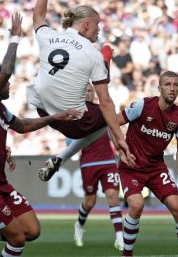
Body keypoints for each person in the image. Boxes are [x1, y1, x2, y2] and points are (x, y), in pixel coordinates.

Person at [0, 13, 82, 257]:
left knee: (32, 230)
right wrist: (15, 36)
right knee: (17, 238)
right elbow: (6, 70)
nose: (9, 85)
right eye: (5, 83)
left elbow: (22, 126)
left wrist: (54, 118)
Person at [26, 0, 132, 182]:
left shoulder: (49, 36)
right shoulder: (92, 54)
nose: (99, 30)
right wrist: (119, 139)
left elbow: (37, 16)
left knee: (101, 114)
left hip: (43, 111)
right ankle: (64, 158)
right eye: (97, 25)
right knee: (110, 118)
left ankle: (59, 159)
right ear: (85, 25)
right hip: (73, 121)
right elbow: (105, 102)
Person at [117, 71, 178, 257]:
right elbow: (114, 120)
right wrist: (120, 149)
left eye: (175, 85)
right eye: (168, 84)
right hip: (131, 166)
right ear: (159, 88)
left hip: (155, 167)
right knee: (136, 206)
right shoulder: (143, 105)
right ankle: (127, 254)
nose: (172, 88)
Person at [73, 83, 124, 250]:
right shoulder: (77, 113)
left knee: (113, 198)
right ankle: (79, 226)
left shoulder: (103, 109)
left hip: (107, 161)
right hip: (88, 162)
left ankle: (120, 238)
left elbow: (113, 130)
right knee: (90, 201)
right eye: (85, 91)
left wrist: (121, 150)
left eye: (90, 91)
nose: (88, 93)